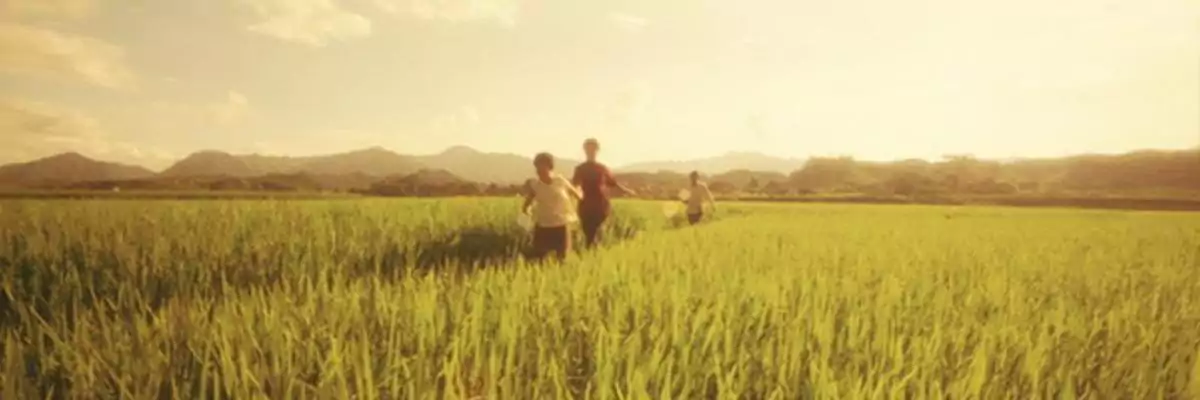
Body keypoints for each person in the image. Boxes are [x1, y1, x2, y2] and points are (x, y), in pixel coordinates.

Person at [572, 138, 636, 248]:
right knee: (589, 233)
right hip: (585, 205)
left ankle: (594, 252)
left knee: (595, 232)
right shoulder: (580, 169)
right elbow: (574, 185)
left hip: (601, 205)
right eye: (588, 149)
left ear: (597, 150)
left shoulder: (602, 168)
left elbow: (613, 183)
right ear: (585, 150)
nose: (591, 151)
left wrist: (627, 191)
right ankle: (592, 253)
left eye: (593, 149)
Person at [522, 152, 583, 261]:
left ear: (550, 167)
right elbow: (526, 206)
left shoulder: (560, 181)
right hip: (543, 225)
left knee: (562, 257)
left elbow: (577, 195)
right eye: (537, 167)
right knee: (540, 257)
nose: (539, 171)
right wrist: (528, 213)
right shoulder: (535, 185)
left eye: (542, 166)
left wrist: (578, 195)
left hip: (560, 225)